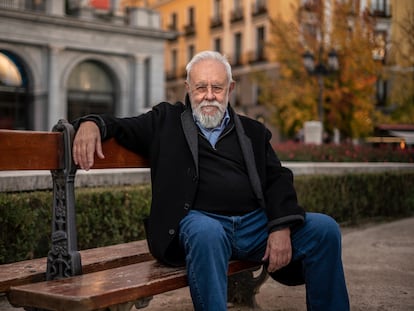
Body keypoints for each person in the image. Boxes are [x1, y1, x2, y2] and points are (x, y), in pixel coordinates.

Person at [72, 50, 349, 310]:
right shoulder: (165, 121)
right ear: (188, 88)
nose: (208, 96)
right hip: (200, 224)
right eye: (200, 87)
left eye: (217, 88)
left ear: (230, 89)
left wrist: (280, 227)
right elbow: (122, 126)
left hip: (253, 225)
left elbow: (278, 178)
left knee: (324, 230)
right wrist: (91, 123)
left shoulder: (253, 132)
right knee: (208, 232)